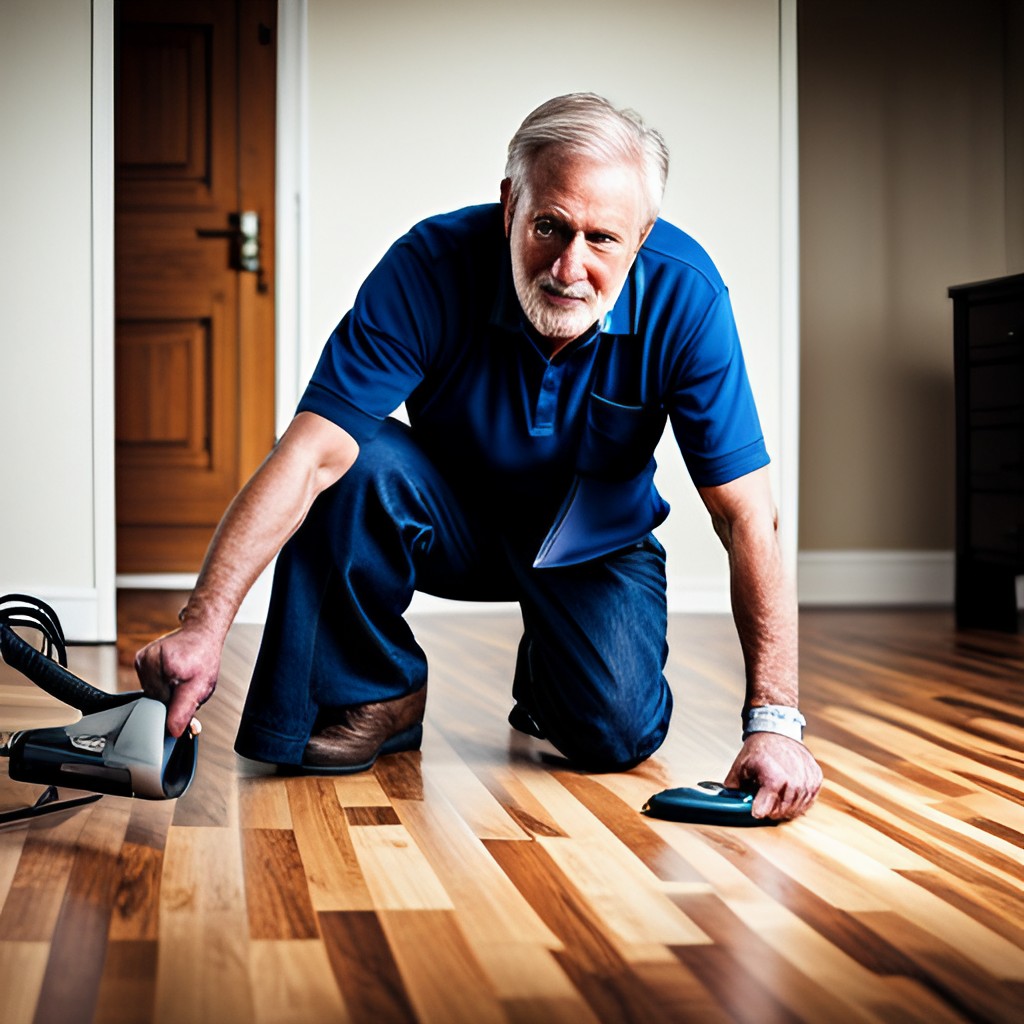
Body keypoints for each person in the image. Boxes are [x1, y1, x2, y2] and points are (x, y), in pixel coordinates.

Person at [136, 93, 822, 820]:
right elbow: (309, 455)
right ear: (508, 206)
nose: (568, 265)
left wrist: (775, 722)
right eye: (548, 227)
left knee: (615, 737)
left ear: (643, 234)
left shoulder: (688, 295)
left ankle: (555, 663)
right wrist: (202, 627)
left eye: (602, 239)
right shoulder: (429, 266)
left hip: (594, 543)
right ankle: (378, 689)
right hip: (453, 518)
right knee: (353, 455)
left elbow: (749, 516)